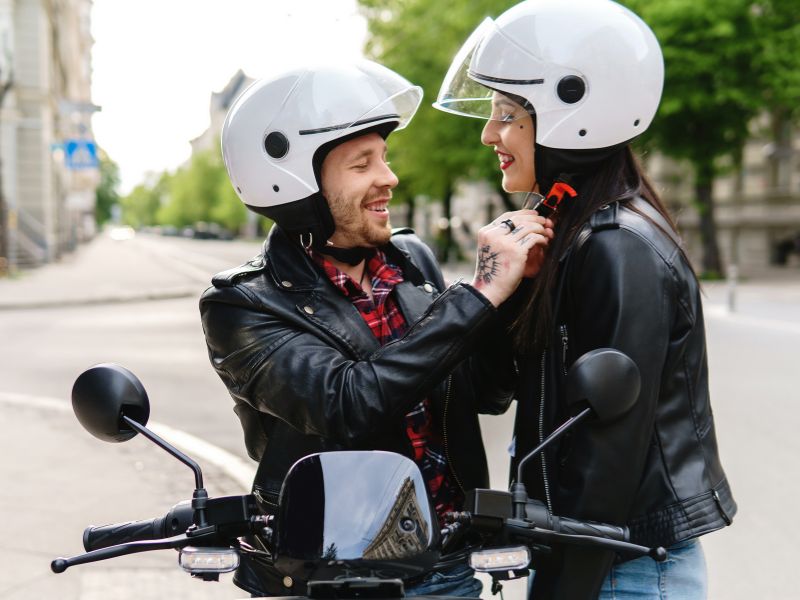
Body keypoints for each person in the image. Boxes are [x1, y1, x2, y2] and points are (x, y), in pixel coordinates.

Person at [199, 60, 553, 597]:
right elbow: (347, 403)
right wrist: (477, 295)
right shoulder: (242, 305)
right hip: (329, 575)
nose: (388, 177)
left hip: (444, 565)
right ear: (296, 183)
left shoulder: (412, 260)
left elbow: (488, 394)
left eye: (384, 158)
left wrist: (509, 294)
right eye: (362, 163)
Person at [434, 0, 737, 598]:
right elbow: (496, 391)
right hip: (591, 555)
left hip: (619, 567)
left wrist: (560, 589)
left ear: (571, 109)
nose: (489, 134)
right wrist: (501, 290)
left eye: (506, 114)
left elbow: (610, 452)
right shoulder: (568, 232)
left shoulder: (618, 247)